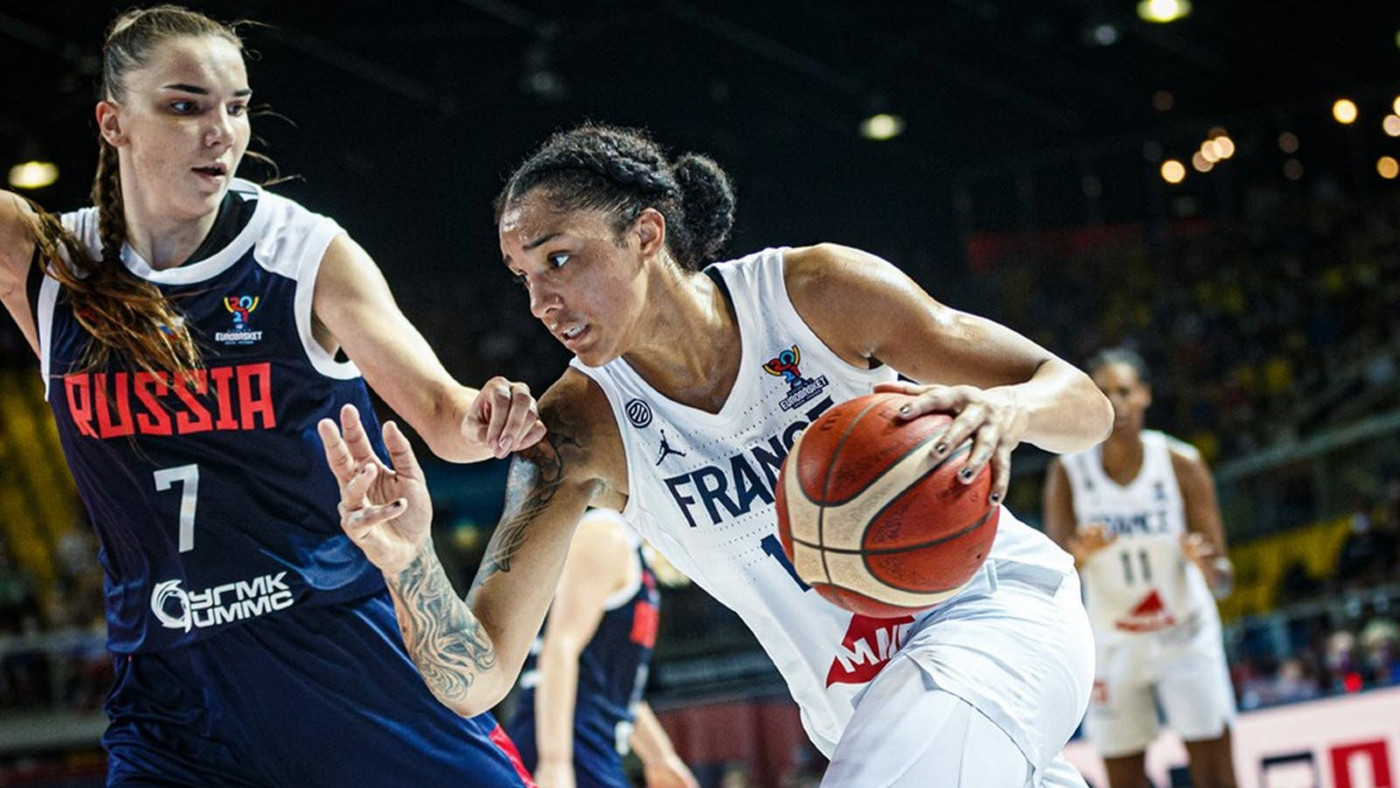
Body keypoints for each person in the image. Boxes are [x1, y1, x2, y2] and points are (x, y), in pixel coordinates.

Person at [322, 123, 1114, 787]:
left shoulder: (815, 294)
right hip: (859, 709)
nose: (540, 302)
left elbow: (1084, 405)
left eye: (558, 259)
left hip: (993, 615)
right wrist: (407, 560)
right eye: (522, 276)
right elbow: (478, 678)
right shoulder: (577, 430)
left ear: (646, 234)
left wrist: (1006, 411)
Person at [0, 6, 546, 786]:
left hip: (345, 668)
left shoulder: (301, 252)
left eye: (236, 106)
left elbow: (442, 415)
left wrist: (488, 415)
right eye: (185, 106)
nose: (219, 132)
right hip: (172, 703)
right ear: (112, 122)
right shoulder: (50, 264)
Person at [1043, 347, 1238, 788]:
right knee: (1125, 780)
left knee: (1217, 776)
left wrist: (1208, 567)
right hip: (1113, 643)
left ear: (1145, 394)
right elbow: (1053, 580)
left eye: (1124, 391)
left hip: (1183, 635)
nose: (1115, 403)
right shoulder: (1068, 472)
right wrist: (1078, 557)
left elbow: (1225, 580)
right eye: (1103, 392)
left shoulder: (1181, 463)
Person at [506, 507, 697, 788]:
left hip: (594, 740)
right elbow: (560, 647)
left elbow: (617, 685)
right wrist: (555, 762)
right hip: (569, 736)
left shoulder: (634, 551)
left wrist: (660, 756)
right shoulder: (605, 535)